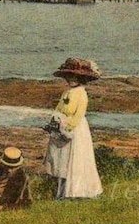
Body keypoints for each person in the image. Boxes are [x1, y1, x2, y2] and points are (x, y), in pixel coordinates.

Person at [43, 57, 103, 199]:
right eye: (69, 77)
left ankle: (76, 192)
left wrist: (68, 128)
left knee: (74, 160)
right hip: (61, 126)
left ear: (81, 78)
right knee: (60, 160)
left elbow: (79, 114)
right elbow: (59, 109)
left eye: (74, 77)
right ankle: (60, 193)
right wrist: (54, 123)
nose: (71, 79)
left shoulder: (81, 93)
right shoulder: (67, 92)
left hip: (75, 129)